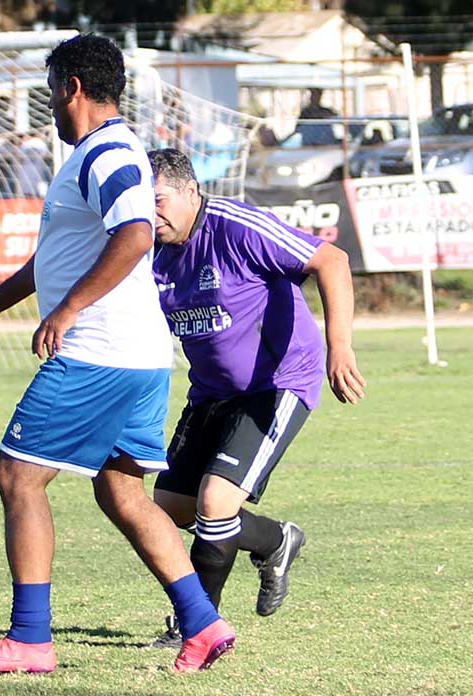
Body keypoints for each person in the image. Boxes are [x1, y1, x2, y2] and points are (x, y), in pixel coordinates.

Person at [0, 34, 235, 675]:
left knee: (19, 477)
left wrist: (70, 309)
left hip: (99, 355)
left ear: (72, 87)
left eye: (50, 91)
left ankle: (29, 638)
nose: (50, 104)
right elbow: (56, 256)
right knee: (122, 492)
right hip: (138, 358)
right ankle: (203, 622)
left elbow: (135, 235)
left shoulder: (107, 153)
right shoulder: (95, 157)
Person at [143, 148, 367, 648]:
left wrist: (341, 347)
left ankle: (197, 625)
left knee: (216, 502)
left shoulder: (235, 225)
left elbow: (331, 260)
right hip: (211, 394)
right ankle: (275, 540)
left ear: (190, 192)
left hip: (278, 384)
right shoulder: (147, 249)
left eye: (157, 199)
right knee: (172, 509)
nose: (149, 211)